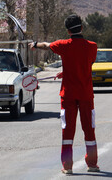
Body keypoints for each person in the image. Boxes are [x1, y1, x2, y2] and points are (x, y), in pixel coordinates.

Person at [29, 14, 99, 175]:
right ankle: (92, 164)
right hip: (86, 95)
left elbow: (47, 45)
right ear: (82, 27)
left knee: (67, 130)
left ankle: (67, 166)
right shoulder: (92, 46)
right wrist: (67, 72)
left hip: (67, 95)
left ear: (68, 31)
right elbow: (85, 65)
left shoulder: (63, 45)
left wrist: (35, 44)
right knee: (89, 129)